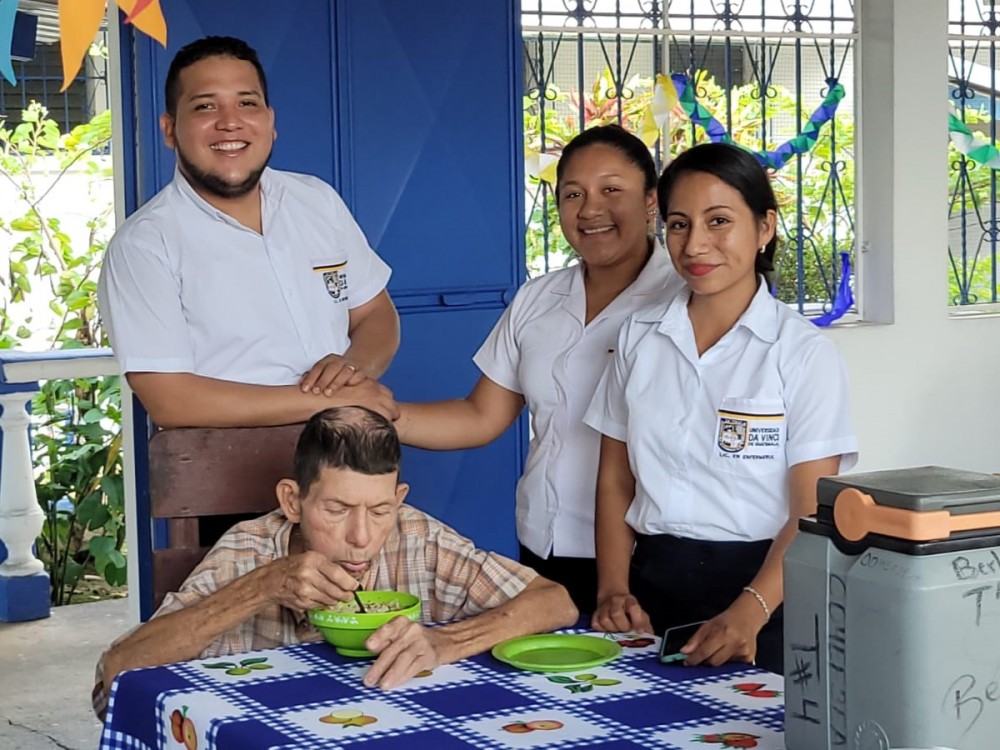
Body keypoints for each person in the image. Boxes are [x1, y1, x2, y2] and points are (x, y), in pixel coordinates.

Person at [93, 406, 578, 718]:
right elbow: (117, 674)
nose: (362, 537)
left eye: (380, 510)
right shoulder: (251, 549)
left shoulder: (414, 535)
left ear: (399, 499)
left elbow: (555, 603)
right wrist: (263, 587)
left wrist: (444, 643)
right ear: (292, 501)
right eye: (337, 510)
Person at [583, 142, 858, 673]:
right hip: (652, 592)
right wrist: (614, 589)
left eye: (719, 221)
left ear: (764, 228)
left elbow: (810, 511)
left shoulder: (802, 354)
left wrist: (749, 614)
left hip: (767, 597)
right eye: (680, 224)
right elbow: (615, 479)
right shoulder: (639, 337)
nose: (696, 244)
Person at [394, 125, 683, 613]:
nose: (590, 210)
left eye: (612, 190)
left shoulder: (683, 300)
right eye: (573, 194)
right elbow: (480, 415)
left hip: (649, 554)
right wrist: (382, 414)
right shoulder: (539, 298)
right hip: (545, 545)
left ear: (651, 200)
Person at [97, 36, 399, 428]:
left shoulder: (316, 200)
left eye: (247, 103)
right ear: (169, 129)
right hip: (221, 466)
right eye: (206, 106)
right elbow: (171, 400)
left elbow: (375, 312)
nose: (230, 121)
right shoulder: (145, 245)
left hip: (349, 449)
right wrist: (328, 399)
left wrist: (351, 369)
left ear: (270, 123)